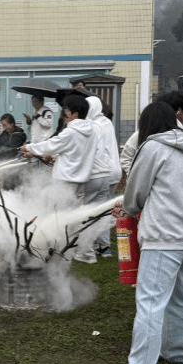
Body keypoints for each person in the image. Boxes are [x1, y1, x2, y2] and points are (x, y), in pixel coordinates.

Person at [105, 102, 183, 364]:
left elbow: (136, 191)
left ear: (147, 125)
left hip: (166, 237)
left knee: (150, 303)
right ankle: (182, 355)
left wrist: (128, 208)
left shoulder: (152, 147)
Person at [20, 94, 97, 204]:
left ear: (75, 114)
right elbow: (74, 153)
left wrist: (29, 147)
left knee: (61, 212)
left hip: (65, 182)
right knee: (75, 210)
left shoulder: (70, 132)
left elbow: (50, 145)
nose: (63, 115)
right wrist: (55, 158)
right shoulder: (91, 132)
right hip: (81, 181)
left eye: (66, 112)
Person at [74, 96, 122, 263]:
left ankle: (95, 245)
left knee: (96, 211)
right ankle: (103, 246)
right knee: (104, 210)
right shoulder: (106, 122)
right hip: (115, 171)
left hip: (103, 172)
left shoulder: (93, 125)